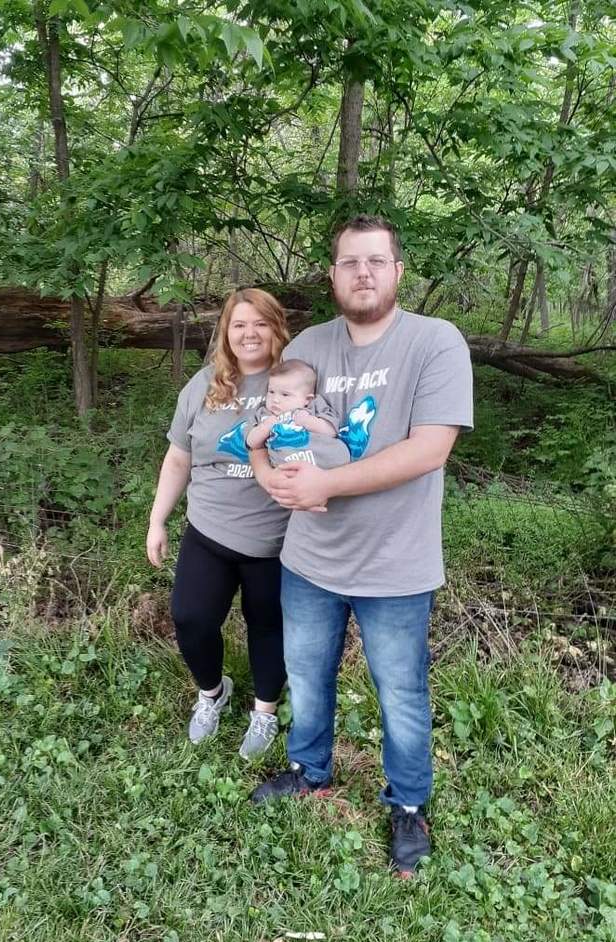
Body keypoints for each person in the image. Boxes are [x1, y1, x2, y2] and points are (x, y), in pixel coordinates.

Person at [249, 214, 474, 878]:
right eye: (350, 262)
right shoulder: (311, 346)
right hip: (311, 561)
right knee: (308, 679)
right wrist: (276, 483)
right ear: (333, 275)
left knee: (401, 692)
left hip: (397, 565)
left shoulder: (435, 342)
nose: (364, 273)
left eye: (377, 261)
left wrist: (325, 483)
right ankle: (308, 770)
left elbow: (430, 448)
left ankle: (407, 806)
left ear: (399, 271)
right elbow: (262, 429)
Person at [146, 288, 291, 760]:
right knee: (190, 618)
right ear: (225, 333)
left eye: (259, 323)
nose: (249, 334)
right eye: (238, 325)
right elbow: (177, 458)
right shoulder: (204, 385)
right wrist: (157, 519)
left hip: (275, 539)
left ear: (276, 327)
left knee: (267, 626)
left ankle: (265, 712)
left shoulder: (294, 381)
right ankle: (213, 692)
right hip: (208, 530)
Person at [245, 358, 350, 478]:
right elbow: (251, 443)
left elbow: (331, 431)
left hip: (322, 460)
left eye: (285, 394)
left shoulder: (313, 406)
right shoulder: (264, 414)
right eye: (271, 392)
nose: (275, 399)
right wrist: (264, 427)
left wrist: (309, 421)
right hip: (288, 467)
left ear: (307, 399)